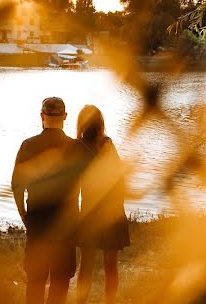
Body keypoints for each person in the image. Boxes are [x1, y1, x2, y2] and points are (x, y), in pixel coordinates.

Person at [12, 96, 84, 304]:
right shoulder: (76, 148)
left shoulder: (28, 145)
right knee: (60, 282)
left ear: (42, 116)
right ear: (65, 117)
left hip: (37, 222)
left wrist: (23, 214)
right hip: (66, 224)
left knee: (35, 280)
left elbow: (17, 185)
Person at [74, 105, 130, 304]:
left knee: (86, 266)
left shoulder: (78, 148)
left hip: (90, 214)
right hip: (111, 211)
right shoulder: (107, 144)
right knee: (110, 267)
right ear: (100, 124)